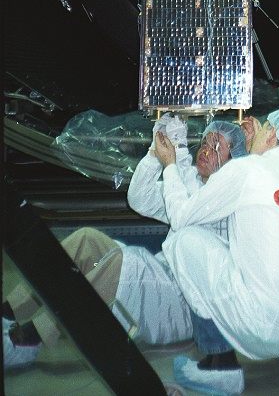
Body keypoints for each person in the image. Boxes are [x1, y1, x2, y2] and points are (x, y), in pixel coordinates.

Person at [3, 116, 246, 369]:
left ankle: (28, 339)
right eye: (205, 142)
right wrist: (155, 153)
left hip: (183, 306)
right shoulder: (194, 186)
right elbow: (140, 199)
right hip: (161, 281)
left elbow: (184, 214)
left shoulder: (227, 202)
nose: (206, 150)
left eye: (217, 146)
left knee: (122, 266)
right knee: (87, 240)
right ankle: (9, 311)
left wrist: (176, 159)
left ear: (233, 162)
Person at [152, 108, 279, 395]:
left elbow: (180, 216)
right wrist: (252, 150)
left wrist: (170, 166)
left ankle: (219, 365)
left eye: (262, 130)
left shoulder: (246, 170)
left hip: (265, 328)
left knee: (184, 239)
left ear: (272, 134)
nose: (254, 133)